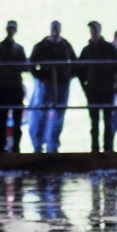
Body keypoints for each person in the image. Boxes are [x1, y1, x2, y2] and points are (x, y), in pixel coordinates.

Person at [28, 20, 75, 153]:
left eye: (57, 28)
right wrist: (41, 78)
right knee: (42, 114)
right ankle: (38, 145)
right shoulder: (42, 46)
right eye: (53, 28)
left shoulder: (65, 45)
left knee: (58, 116)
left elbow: (75, 62)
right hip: (46, 85)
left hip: (61, 85)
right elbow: (32, 63)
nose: (55, 31)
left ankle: (53, 146)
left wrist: (68, 77)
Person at [77, 20, 117, 152]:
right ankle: (96, 148)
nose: (93, 32)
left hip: (106, 89)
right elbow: (80, 70)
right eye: (92, 30)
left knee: (107, 121)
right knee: (95, 122)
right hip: (94, 90)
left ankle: (107, 148)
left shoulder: (107, 49)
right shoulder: (89, 50)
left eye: (95, 29)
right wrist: (85, 86)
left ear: (99, 30)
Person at [0, 20, 27, 152]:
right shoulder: (2, 48)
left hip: (12, 87)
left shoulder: (4, 48)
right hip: (8, 86)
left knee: (14, 119)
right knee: (3, 119)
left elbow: (24, 66)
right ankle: (4, 146)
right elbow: (1, 67)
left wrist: (10, 68)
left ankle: (15, 147)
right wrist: (14, 68)